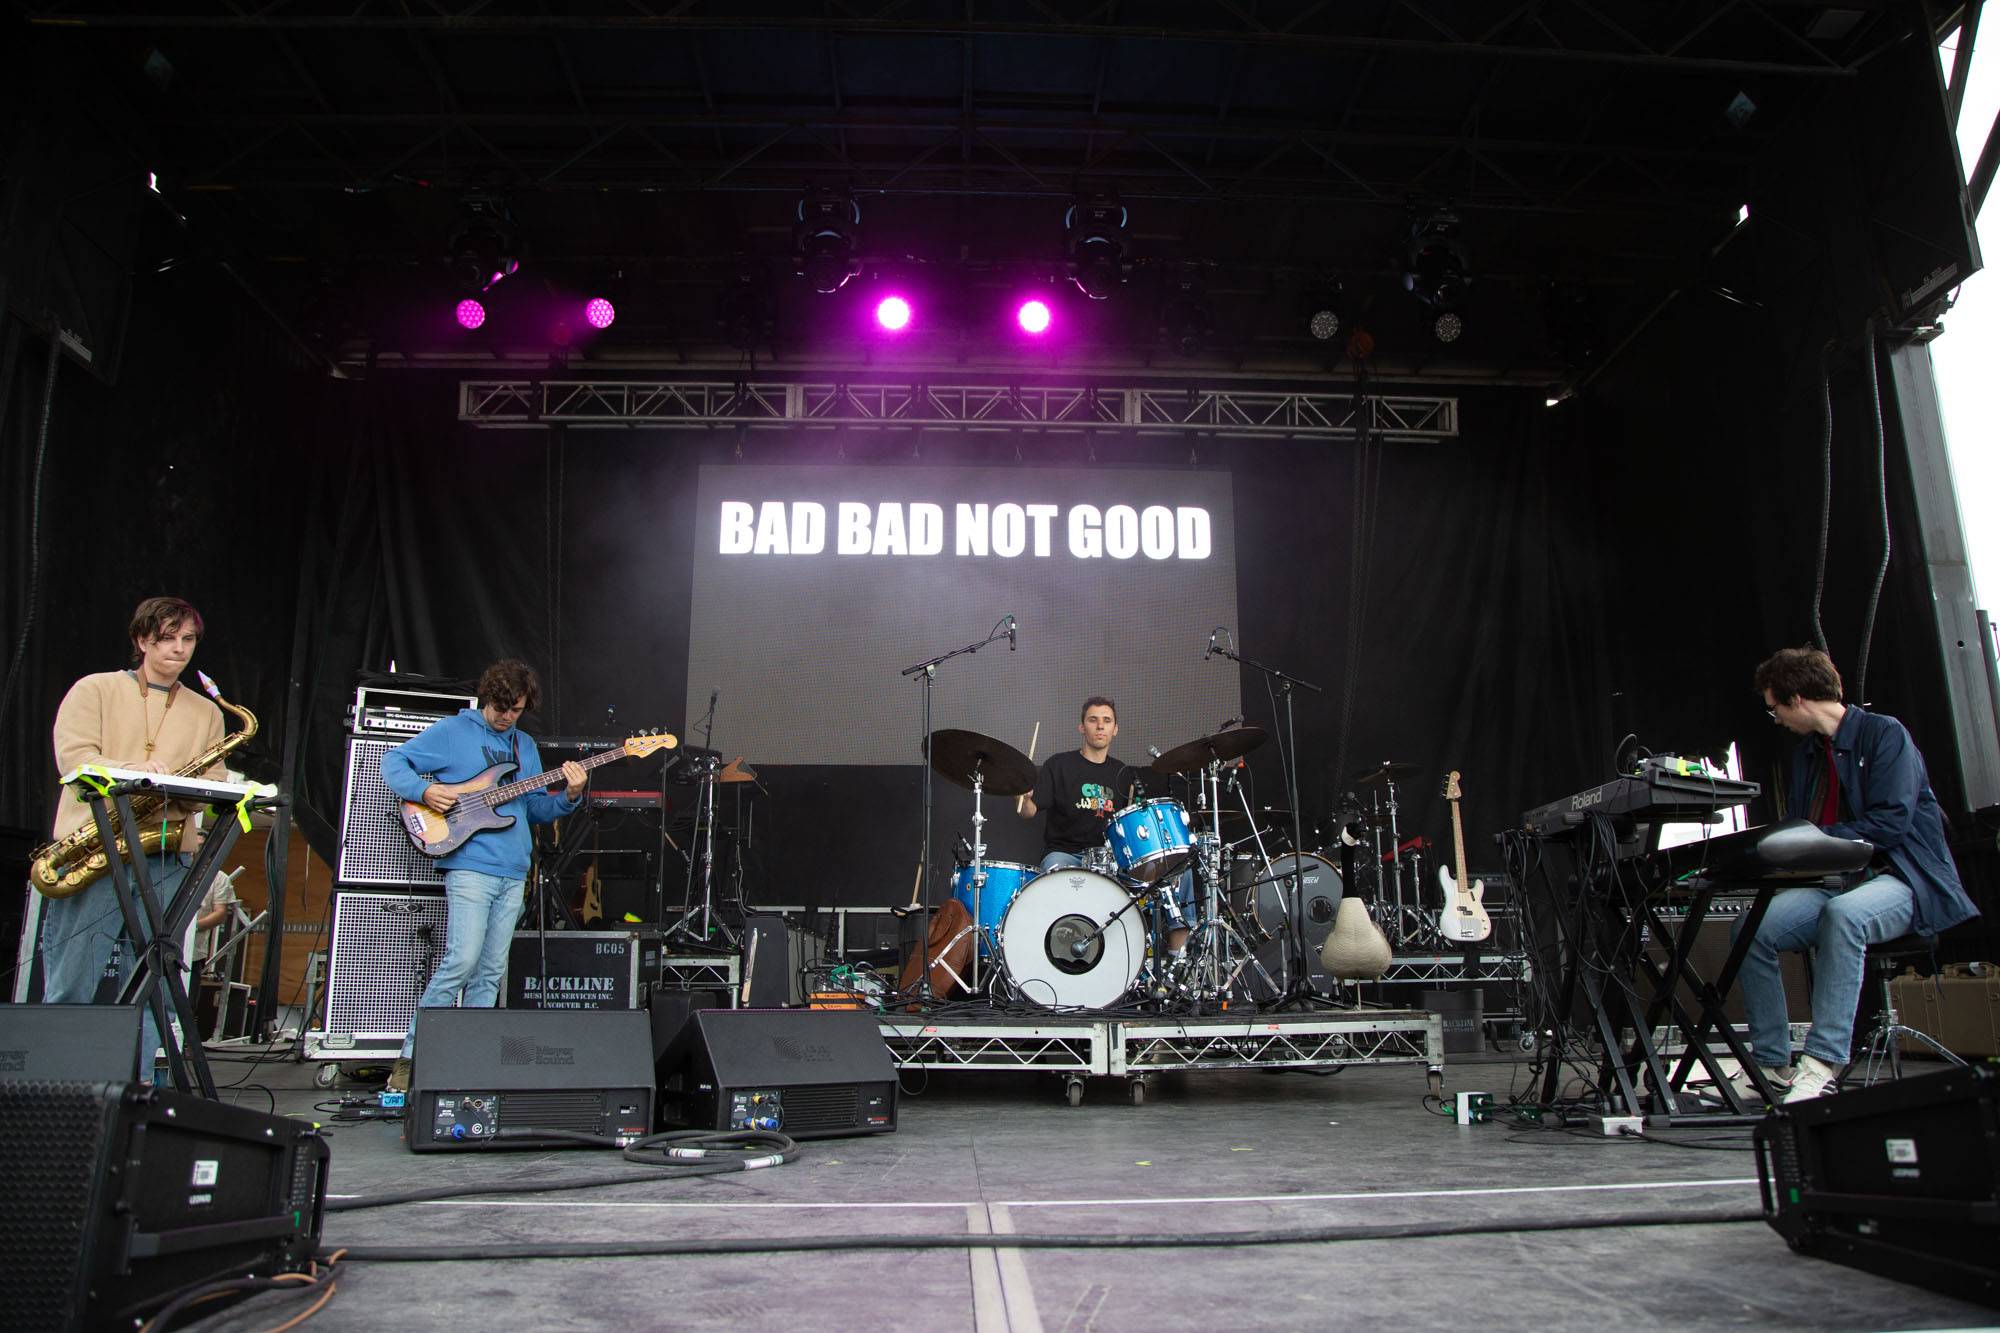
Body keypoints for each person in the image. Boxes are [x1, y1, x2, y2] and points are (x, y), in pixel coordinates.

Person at [1733, 647, 1978, 1103]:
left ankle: (1822, 1063)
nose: (1777, 720)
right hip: (1841, 881)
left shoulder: (1885, 734)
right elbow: (1808, 830)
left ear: (1798, 699)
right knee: (1751, 929)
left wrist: (1814, 841)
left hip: (1905, 877)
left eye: (1775, 709)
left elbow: (1890, 824)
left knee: (1845, 916)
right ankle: (1772, 1063)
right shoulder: (1808, 754)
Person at [378, 659, 586, 1092]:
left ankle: (465, 1065)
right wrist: (424, 790)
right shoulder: (455, 732)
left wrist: (570, 794)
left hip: (513, 870)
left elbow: (535, 809)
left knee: (490, 972)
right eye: (500, 706)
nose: (506, 715)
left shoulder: (524, 746)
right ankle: (411, 1059)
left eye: (516, 709)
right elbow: (394, 761)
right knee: (461, 960)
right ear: (485, 696)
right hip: (470, 865)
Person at [42, 596, 225, 1077]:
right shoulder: (95, 689)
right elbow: (75, 762)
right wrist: (132, 772)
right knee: (73, 981)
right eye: (167, 638)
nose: (179, 650)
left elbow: (212, 787)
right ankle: (55, 1088)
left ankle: (139, 1090)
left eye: (188, 640)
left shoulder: (207, 713)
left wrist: (209, 790)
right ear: (142, 640)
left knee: (154, 986)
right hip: (96, 847)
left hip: (165, 853)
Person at [1017, 697, 1187, 949]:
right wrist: (1021, 795)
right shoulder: (1059, 765)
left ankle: (1177, 959)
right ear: (1081, 727)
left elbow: (1134, 827)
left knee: (1177, 870)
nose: (1100, 726)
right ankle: (1052, 950)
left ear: (1114, 729)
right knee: (1052, 873)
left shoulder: (1123, 773)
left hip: (1113, 860)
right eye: (1093, 720)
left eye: (1106, 721)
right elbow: (1027, 812)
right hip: (1066, 854)